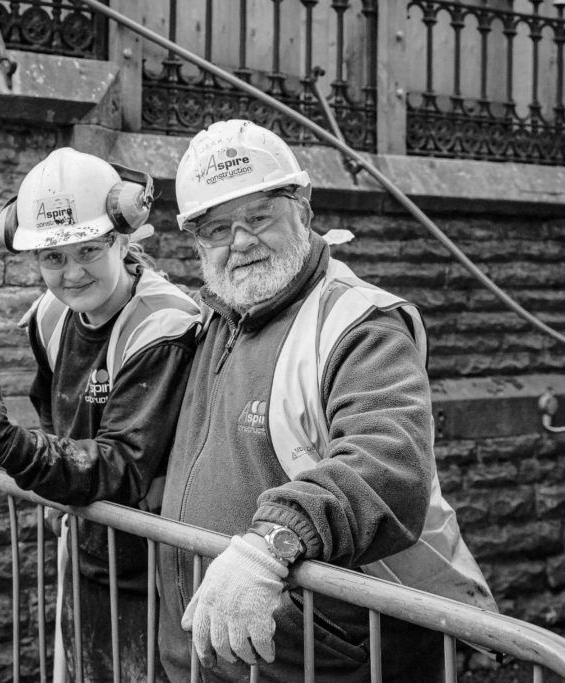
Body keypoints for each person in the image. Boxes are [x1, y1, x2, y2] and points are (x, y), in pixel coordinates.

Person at [156, 119, 497, 682]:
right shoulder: (217, 317)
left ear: (304, 210)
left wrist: (270, 544)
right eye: (216, 228)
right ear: (195, 242)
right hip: (223, 657)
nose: (239, 241)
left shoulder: (360, 325)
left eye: (259, 216)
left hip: (329, 659)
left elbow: (388, 465)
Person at [0, 147, 199, 681]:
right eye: (52, 257)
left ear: (123, 238)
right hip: (87, 550)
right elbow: (57, 418)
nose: (71, 273)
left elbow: (122, 467)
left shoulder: (162, 327)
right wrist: (48, 468)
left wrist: (8, 445)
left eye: (88, 250)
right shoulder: (51, 316)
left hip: (162, 575)